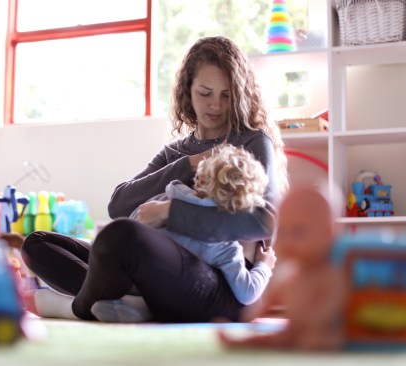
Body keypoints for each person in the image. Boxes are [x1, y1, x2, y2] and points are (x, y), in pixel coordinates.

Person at [21, 35, 288, 323]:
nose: (216, 106)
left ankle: (78, 308)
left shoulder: (251, 142)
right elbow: (118, 204)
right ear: (188, 91)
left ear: (240, 94)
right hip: (161, 274)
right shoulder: (176, 153)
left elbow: (265, 221)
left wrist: (172, 212)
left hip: (222, 284)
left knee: (121, 237)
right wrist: (190, 163)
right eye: (205, 93)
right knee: (37, 244)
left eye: (227, 95)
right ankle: (133, 303)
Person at [130, 144, 275, 307]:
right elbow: (247, 293)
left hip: (134, 274)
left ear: (199, 180)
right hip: (181, 297)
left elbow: (134, 222)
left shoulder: (164, 200)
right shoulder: (225, 249)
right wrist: (264, 265)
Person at [218, 185, 345, 350]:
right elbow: (275, 297)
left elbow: (333, 303)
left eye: (298, 232)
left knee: (317, 339)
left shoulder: (329, 275)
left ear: (328, 233)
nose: (288, 241)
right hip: (293, 330)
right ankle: (242, 342)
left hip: (321, 330)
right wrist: (255, 315)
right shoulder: (291, 275)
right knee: (270, 339)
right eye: (283, 231)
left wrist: (316, 318)